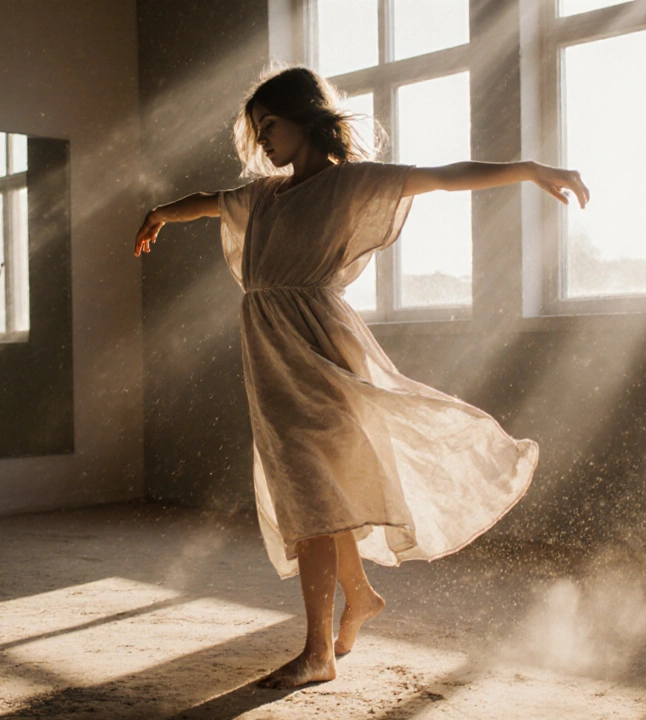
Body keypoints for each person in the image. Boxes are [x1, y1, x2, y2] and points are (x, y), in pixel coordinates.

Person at [134, 67, 590, 688]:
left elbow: (447, 176)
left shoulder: (351, 184)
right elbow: (208, 202)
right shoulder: (262, 196)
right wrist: (160, 212)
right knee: (321, 488)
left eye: (270, 125)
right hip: (270, 359)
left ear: (308, 117)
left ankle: (317, 653)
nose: (263, 139)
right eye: (256, 130)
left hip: (320, 350)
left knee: (312, 497)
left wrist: (531, 169)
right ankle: (361, 595)